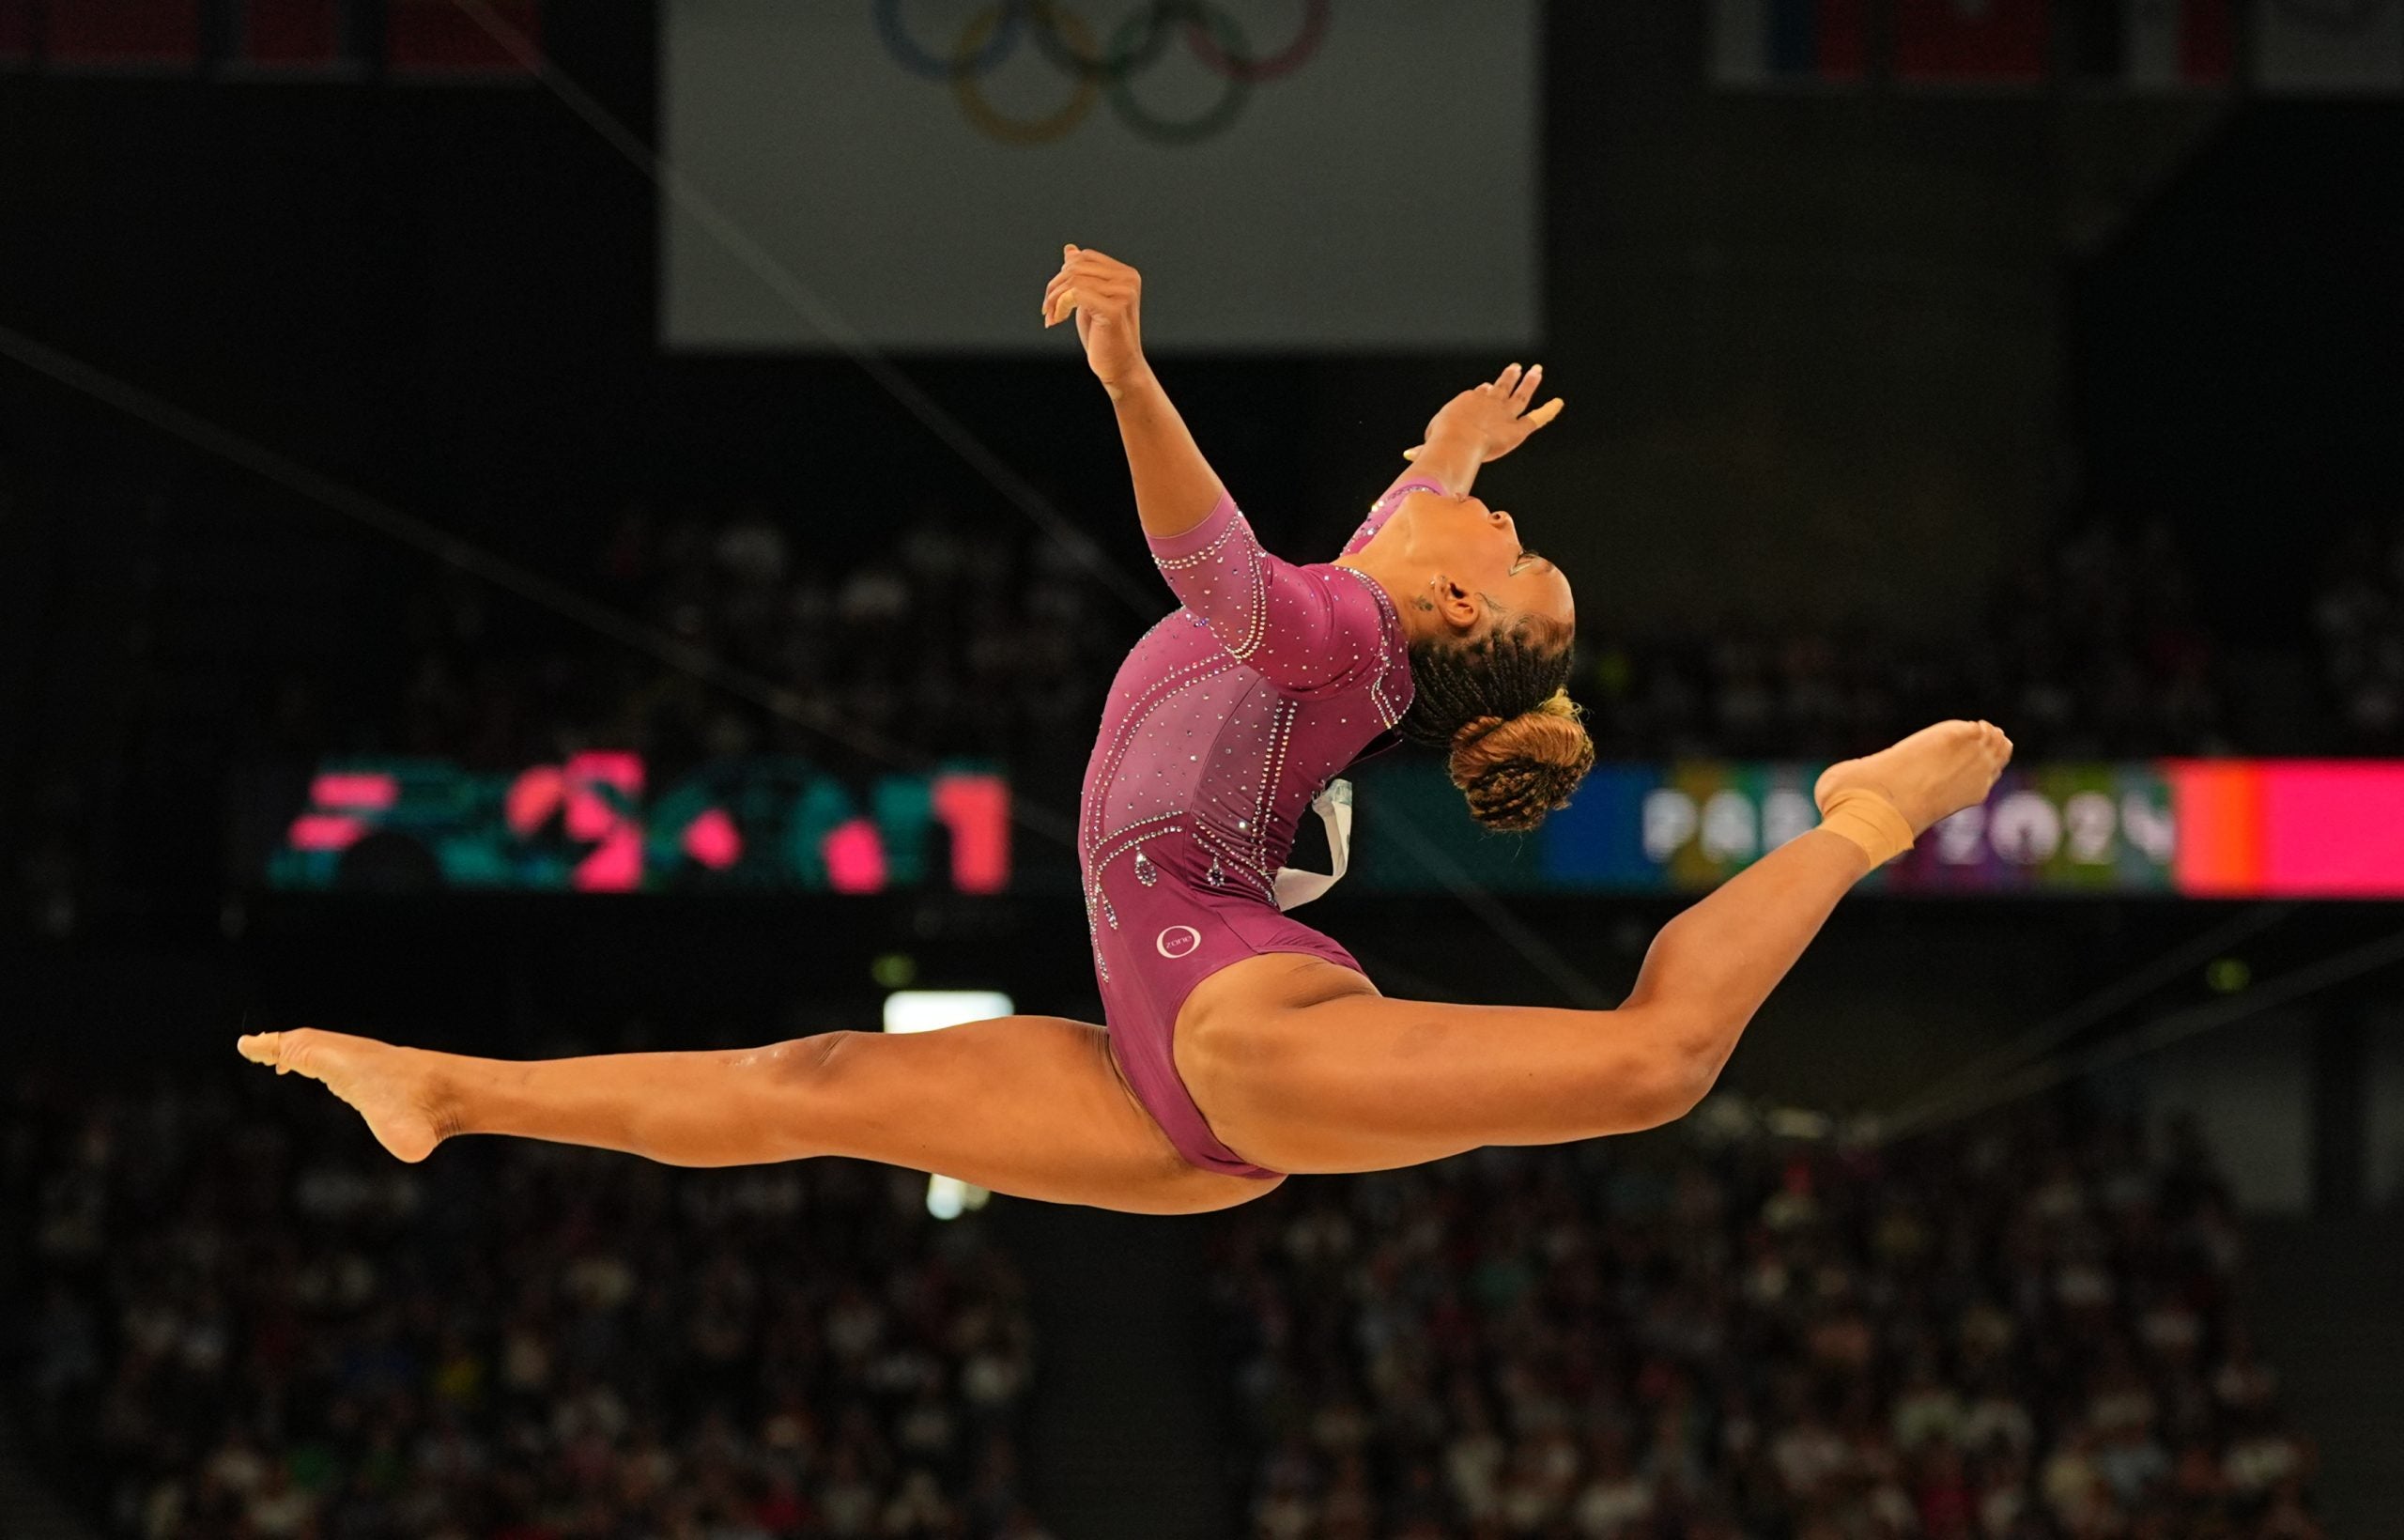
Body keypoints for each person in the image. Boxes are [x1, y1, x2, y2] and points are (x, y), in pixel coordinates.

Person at [239, 247, 2010, 1215]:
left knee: (1646, 1064)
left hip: (1234, 1032)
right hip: (1167, 1077)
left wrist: (1131, 377)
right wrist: (1458, 456)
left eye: (1518, 553)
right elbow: (1407, 517)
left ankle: (1859, 816)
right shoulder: (1393, 601)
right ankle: (444, 1092)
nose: (1493, 521)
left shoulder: (1333, 630)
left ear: (1466, 608)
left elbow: (1220, 571)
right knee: (817, 1087)